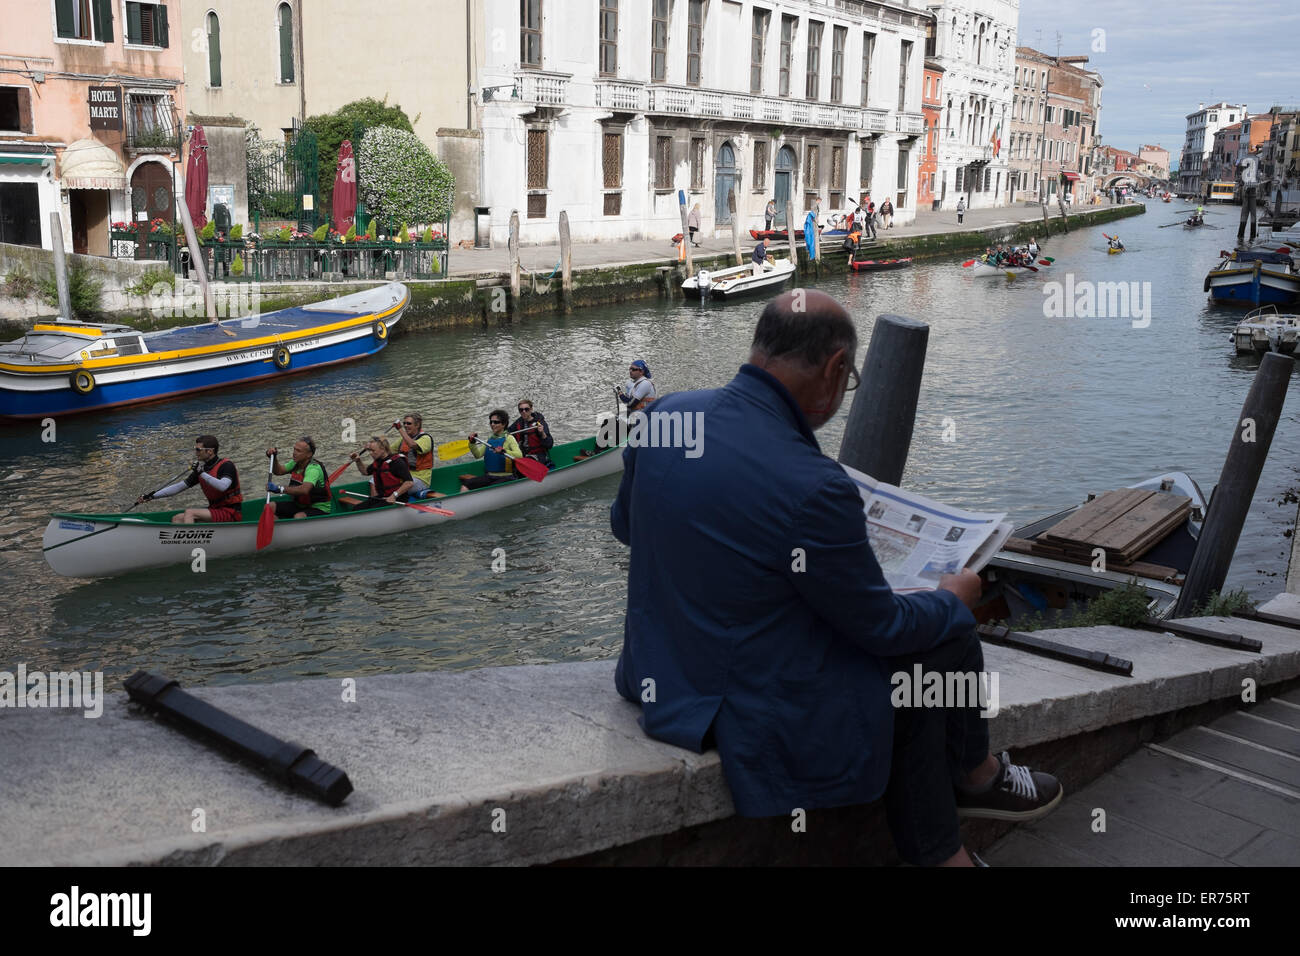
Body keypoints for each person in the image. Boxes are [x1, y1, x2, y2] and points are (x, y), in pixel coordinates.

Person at [610, 290, 1063, 867]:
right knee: (935, 641)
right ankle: (972, 790)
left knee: (916, 653)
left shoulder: (665, 417)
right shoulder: (815, 484)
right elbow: (881, 627)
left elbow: (627, 526)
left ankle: (965, 811)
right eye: (846, 385)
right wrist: (955, 597)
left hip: (657, 671)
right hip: (739, 704)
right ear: (835, 370)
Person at [136, 435, 243, 524]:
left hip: (231, 512)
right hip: (215, 510)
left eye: (198, 450)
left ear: (210, 451)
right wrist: (152, 496)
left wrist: (201, 473)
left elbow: (223, 486)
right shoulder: (202, 470)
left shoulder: (227, 465)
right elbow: (178, 487)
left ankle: (191, 547)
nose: (196, 452)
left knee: (190, 512)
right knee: (177, 519)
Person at [265, 436, 332, 518]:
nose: (294, 453)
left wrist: (280, 489)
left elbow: (304, 490)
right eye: (294, 449)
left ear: (309, 455)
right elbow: (279, 471)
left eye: (298, 451)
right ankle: (277, 528)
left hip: (318, 507)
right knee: (269, 507)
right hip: (300, 505)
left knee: (298, 516)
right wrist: (274, 458)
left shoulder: (313, 468)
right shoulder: (295, 462)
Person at [461, 410, 524, 492]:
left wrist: (504, 451)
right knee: (466, 485)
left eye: (496, 422)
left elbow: (519, 455)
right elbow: (478, 455)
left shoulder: (509, 438)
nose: (492, 424)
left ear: (504, 424)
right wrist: (472, 443)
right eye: (491, 422)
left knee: (490, 489)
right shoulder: (490, 439)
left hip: (506, 477)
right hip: (489, 476)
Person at [347, 436, 413, 509]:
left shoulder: (397, 462)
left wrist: (394, 496)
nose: (371, 453)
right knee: (357, 508)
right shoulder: (378, 462)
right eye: (369, 451)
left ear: (383, 449)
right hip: (382, 497)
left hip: (398, 499)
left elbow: (409, 482)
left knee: (372, 510)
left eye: (373, 450)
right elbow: (365, 472)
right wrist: (358, 461)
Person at [391, 412, 434, 497]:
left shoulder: (426, 438)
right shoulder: (403, 440)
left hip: (420, 479)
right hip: (405, 476)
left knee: (395, 488)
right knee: (375, 480)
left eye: (409, 423)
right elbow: (388, 451)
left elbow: (413, 445)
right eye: (404, 423)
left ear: (417, 425)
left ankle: (390, 502)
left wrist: (400, 429)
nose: (406, 425)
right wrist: (379, 443)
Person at [509, 399, 555, 469]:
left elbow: (549, 444)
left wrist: (542, 432)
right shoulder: (518, 422)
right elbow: (507, 432)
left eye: (526, 409)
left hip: (539, 456)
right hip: (524, 455)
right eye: (521, 410)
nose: (524, 412)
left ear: (531, 409)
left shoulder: (540, 423)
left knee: (523, 466)